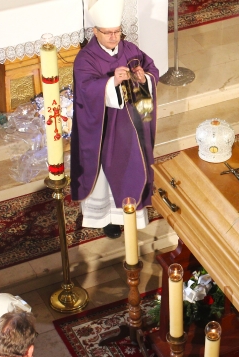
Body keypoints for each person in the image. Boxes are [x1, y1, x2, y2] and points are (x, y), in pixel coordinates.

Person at [70, 0, 160, 239]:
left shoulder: (130, 49)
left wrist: (143, 79)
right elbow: (86, 90)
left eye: (117, 31)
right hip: (104, 129)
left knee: (132, 168)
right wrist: (112, 83)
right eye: (108, 33)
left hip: (131, 128)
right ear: (95, 32)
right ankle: (107, 219)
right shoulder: (85, 59)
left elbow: (151, 70)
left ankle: (131, 214)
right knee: (105, 176)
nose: (114, 37)